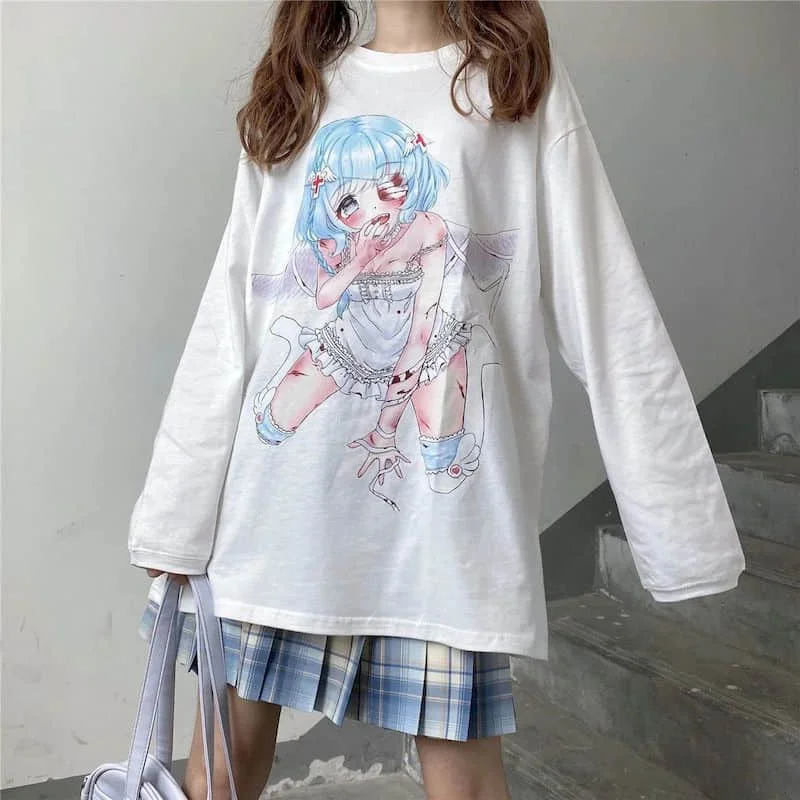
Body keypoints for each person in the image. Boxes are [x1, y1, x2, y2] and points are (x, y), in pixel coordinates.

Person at [128, 2, 746, 799]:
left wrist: (679, 529)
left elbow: (606, 302)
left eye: (389, 186)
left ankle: (442, 440)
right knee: (222, 761)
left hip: (447, 531)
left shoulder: (511, 87)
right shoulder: (300, 89)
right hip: (276, 517)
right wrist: (177, 514)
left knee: (463, 775)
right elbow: (232, 312)